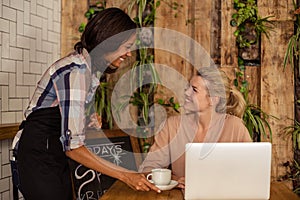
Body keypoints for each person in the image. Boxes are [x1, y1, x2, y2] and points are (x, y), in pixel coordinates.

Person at [13, 7, 160, 200]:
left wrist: (85, 120)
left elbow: (65, 123)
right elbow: (73, 147)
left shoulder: (90, 72)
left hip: (52, 154)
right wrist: (126, 175)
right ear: (109, 41)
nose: (129, 53)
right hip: (38, 155)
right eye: (127, 46)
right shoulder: (76, 72)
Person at [138, 66, 252, 189]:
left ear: (213, 99)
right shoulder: (172, 126)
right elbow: (147, 169)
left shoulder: (235, 126)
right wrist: (176, 180)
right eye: (187, 88)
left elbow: (252, 169)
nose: (186, 93)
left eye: (194, 90)